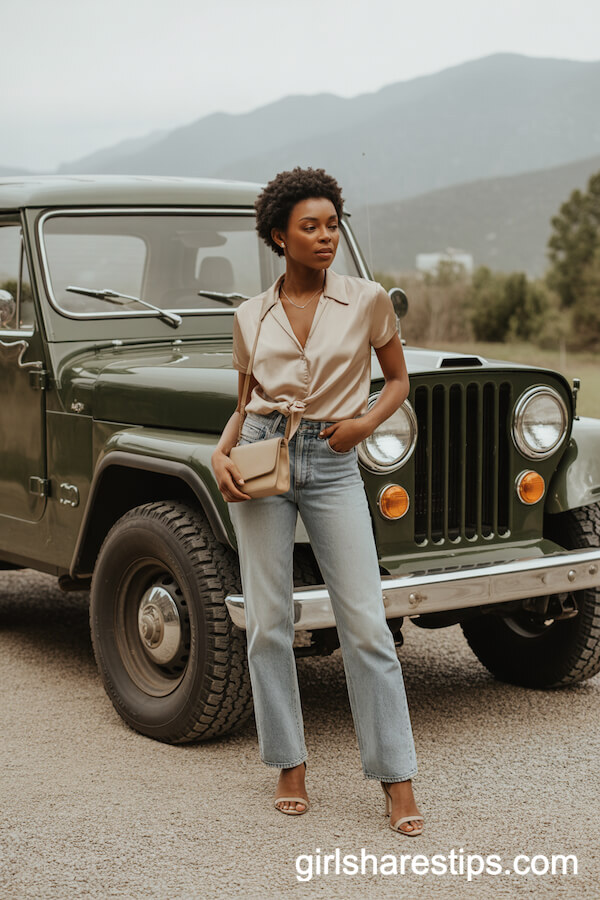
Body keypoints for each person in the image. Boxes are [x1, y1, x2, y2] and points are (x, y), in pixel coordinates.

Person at [211, 167, 423, 836]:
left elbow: (398, 381)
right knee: (268, 621)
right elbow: (245, 403)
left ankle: (396, 777)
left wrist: (363, 424)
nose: (326, 236)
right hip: (262, 456)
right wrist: (220, 454)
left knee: (365, 623)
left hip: (333, 461)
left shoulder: (366, 300)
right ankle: (289, 763)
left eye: (333, 224)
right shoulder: (249, 315)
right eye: (311, 226)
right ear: (280, 236)